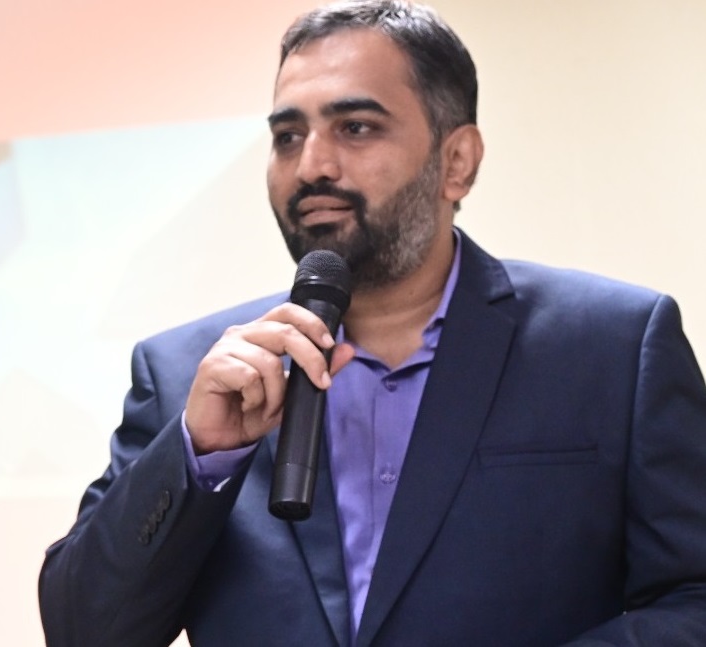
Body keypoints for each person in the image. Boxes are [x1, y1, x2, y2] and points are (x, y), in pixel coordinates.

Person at [37, 1, 706, 645]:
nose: (311, 166)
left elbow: (694, 599)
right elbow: (83, 632)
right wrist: (200, 453)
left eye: (355, 127)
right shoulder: (190, 374)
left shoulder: (613, 348)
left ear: (457, 162)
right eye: (287, 136)